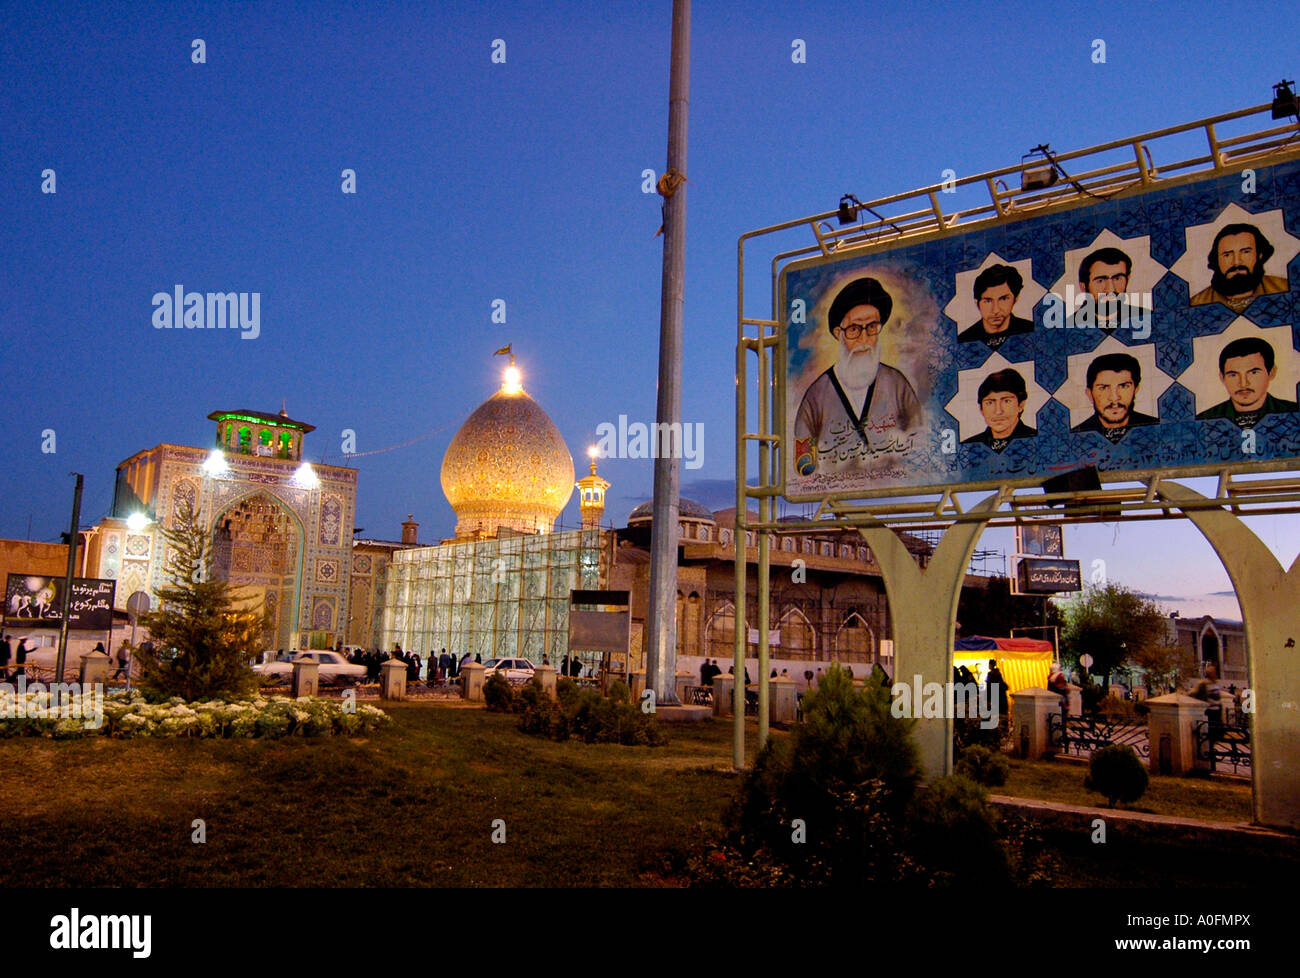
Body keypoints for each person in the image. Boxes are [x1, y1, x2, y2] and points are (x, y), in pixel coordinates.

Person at [793, 276, 923, 476]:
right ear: (838, 333)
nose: (864, 339)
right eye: (854, 329)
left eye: (871, 327)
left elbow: (921, 442)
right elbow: (803, 466)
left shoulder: (897, 384)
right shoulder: (816, 397)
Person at [1196, 336, 1298, 428]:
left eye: (1253, 373)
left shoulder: (1294, 411)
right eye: (1233, 375)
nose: (1243, 383)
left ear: (1271, 372)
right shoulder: (1203, 420)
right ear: (1222, 378)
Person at [1189, 223, 1289, 312]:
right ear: (1216, 260)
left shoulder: (1284, 288)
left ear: (1260, 255)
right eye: (1227, 255)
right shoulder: (1196, 304)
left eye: (1246, 252)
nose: (1236, 262)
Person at [1072, 352, 1159, 442]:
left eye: (1124, 386)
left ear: (1136, 389)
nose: (1114, 398)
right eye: (1103, 388)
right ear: (1090, 394)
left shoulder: (1156, 427)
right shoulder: (1076, 437)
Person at [958, 264, 1034, 348]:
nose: (995, 310)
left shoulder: (1030, 329)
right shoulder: (965, 339)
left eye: (1004, 299)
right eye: (987, 301)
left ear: (1015, 299)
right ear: (977, 303)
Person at [961, 369, 1037, 452]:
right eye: (990, 402)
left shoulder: (1037, 440)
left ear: (1021, 405)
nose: (998, 411)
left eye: (1006, 401)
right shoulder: (969, 446)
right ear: (981, 409)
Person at [1068, 247, 1136, 328]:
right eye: (1100, 281)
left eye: (1117, 279)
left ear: (1127, 279)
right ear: (1083, 287)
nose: (1111, 289)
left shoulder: (1145, 318)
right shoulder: (1069, 327)